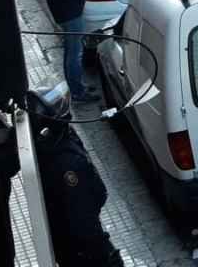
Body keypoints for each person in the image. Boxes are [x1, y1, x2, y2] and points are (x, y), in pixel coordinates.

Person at [26, 86, 124, 266]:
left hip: (69, 247)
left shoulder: (50, 146)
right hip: (83, 253)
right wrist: (105, 256)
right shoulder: (68, 165)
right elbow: (84, 221)